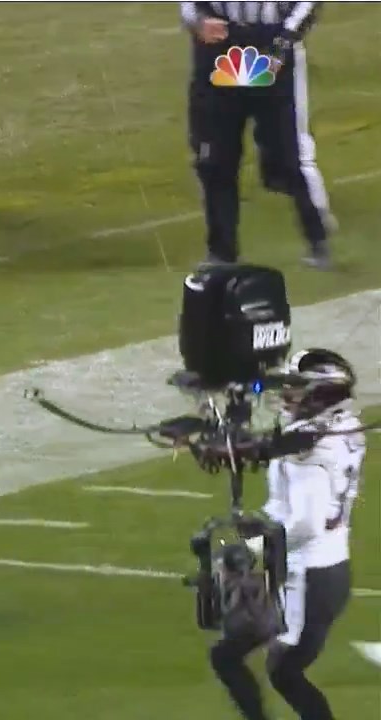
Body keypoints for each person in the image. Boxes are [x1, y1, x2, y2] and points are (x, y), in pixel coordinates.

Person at [211, 348, 362, 720]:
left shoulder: (312, 451)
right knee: (281, 672)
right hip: (322, 571)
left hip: (310, 578)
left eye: (297, 388)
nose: (286, 395)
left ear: (321, 395)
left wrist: (253, 544)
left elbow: (305, 524)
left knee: (271, 667)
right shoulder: (337, 431)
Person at [180, 2, 334, 269]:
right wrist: (199, 21)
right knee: (216, 158)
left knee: (286, 156)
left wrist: (284, 39)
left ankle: (316, 236)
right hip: (220, 47)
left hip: (268, 45)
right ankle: (222, 252)